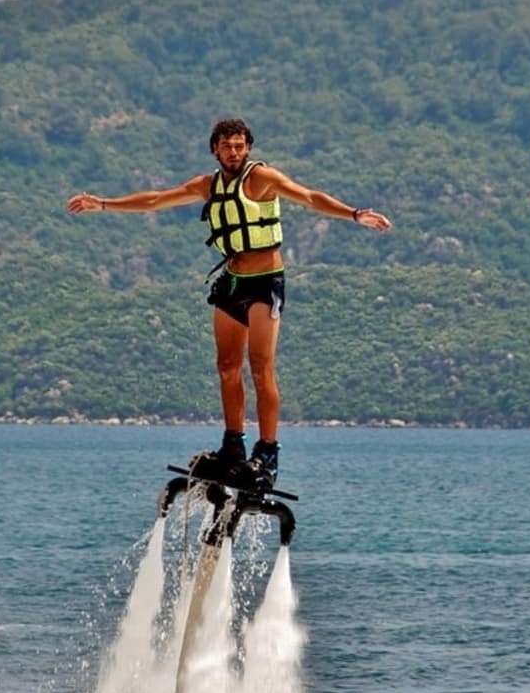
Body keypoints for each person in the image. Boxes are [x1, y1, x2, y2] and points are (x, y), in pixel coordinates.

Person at [67, 118, 392, 489]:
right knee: (226, 366)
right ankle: (233, 447)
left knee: (260, 368)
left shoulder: (263, 178)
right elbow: (156, 200)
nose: (234, 152)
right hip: (231, 283)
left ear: (248, 148)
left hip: (264, 282)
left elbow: (309, 196)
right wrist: (104, 204)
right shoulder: (208, 185)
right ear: (215, 150)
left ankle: (267, 454)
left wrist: (354, 214)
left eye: (239, 146)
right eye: (227, 147)